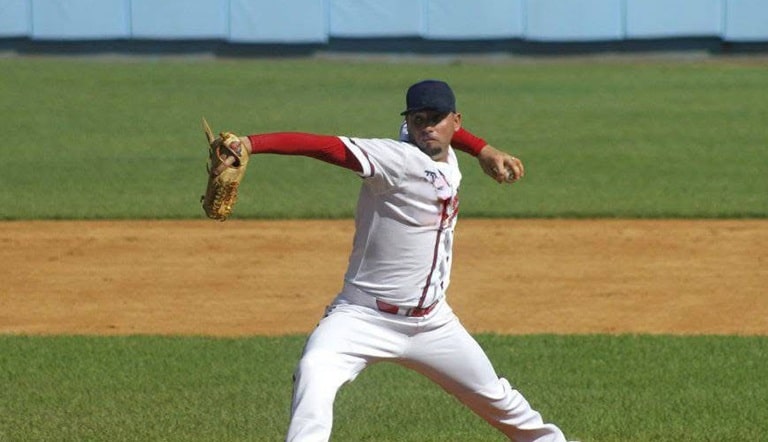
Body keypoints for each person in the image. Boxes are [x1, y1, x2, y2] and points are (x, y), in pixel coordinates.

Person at [229, 80, 568, 441]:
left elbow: (449, 136)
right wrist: (251, 144)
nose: (427, 127)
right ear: (409, 124)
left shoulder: (446, 151)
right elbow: (325, 146)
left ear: (455, 120)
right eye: (418, 119)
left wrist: (483, 149)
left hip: (433, 323)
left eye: (436, 118)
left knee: (502, 403)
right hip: (362, 318)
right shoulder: (393, 158)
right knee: (314, 371)